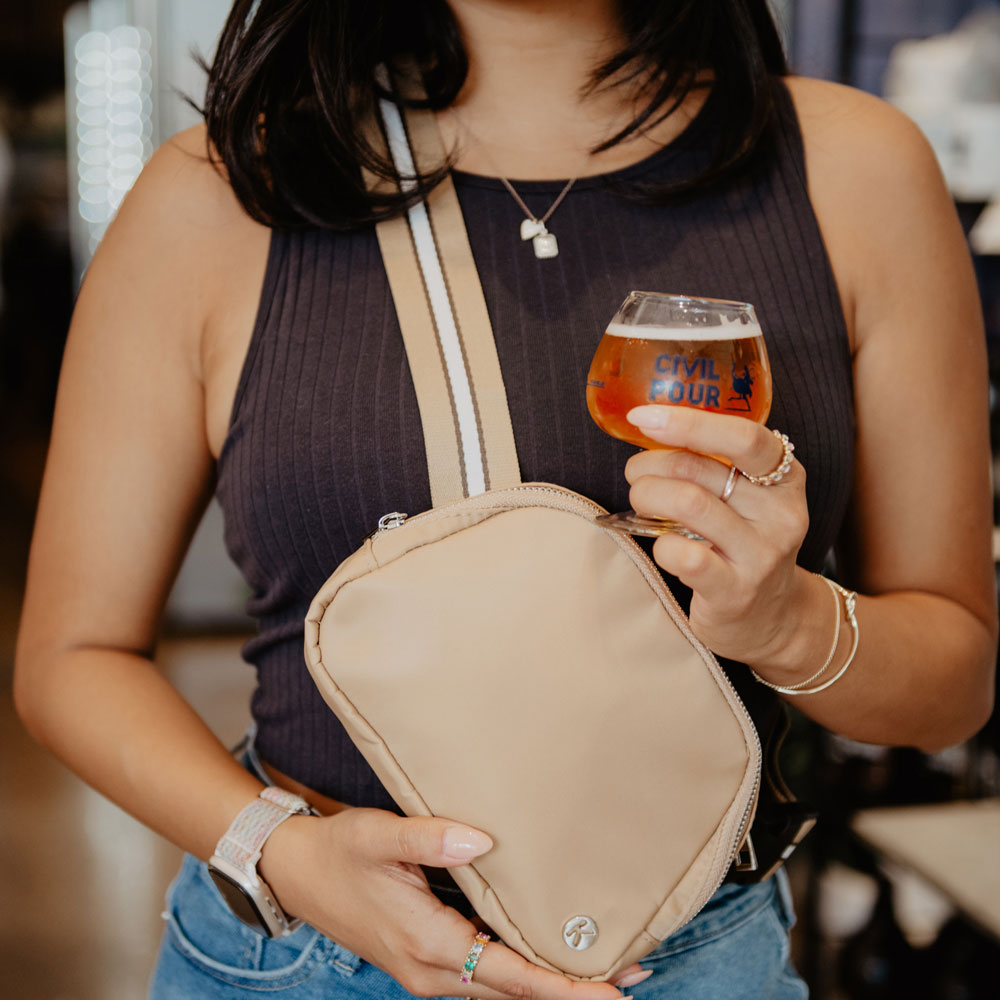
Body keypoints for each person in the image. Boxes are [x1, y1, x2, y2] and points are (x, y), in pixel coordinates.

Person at [14, 1, 997, 998]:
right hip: (303, 956)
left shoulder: (854, 170)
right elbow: (71, 658)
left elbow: (952, 678)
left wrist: (786, 621)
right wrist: (283, 854)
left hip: (693, 958)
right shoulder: (213, 198)